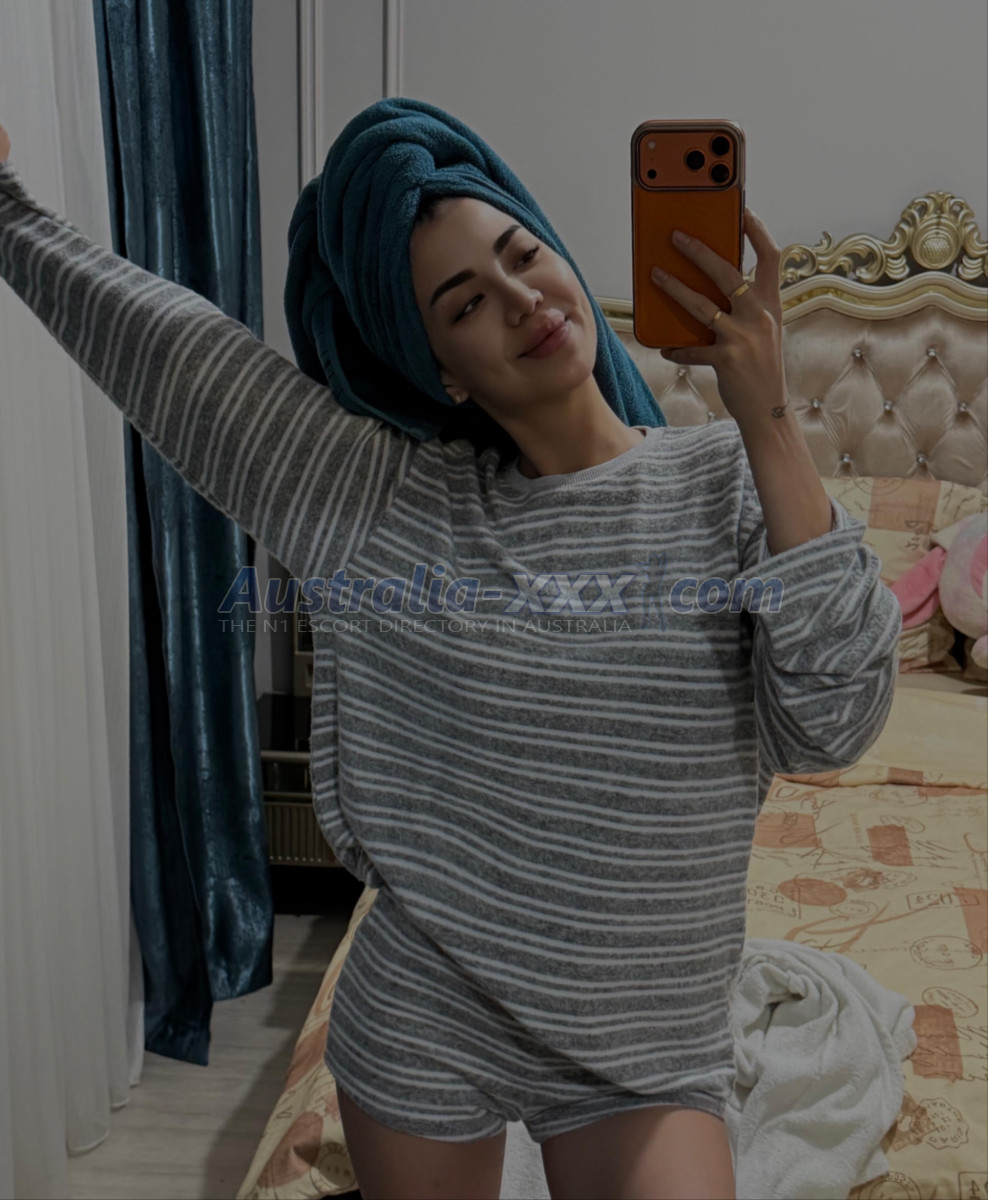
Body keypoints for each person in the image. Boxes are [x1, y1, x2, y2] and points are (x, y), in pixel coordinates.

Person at [0, 103, 900, 1199]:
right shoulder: (387, 502)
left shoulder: (727, 483)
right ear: (442, 373)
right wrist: (6, 216)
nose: (522, 300)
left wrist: (767, 419)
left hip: (647, 1037)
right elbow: (181, 359)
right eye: (465, 303)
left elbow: (834, 723)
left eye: (522, 255)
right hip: (428, 1010)